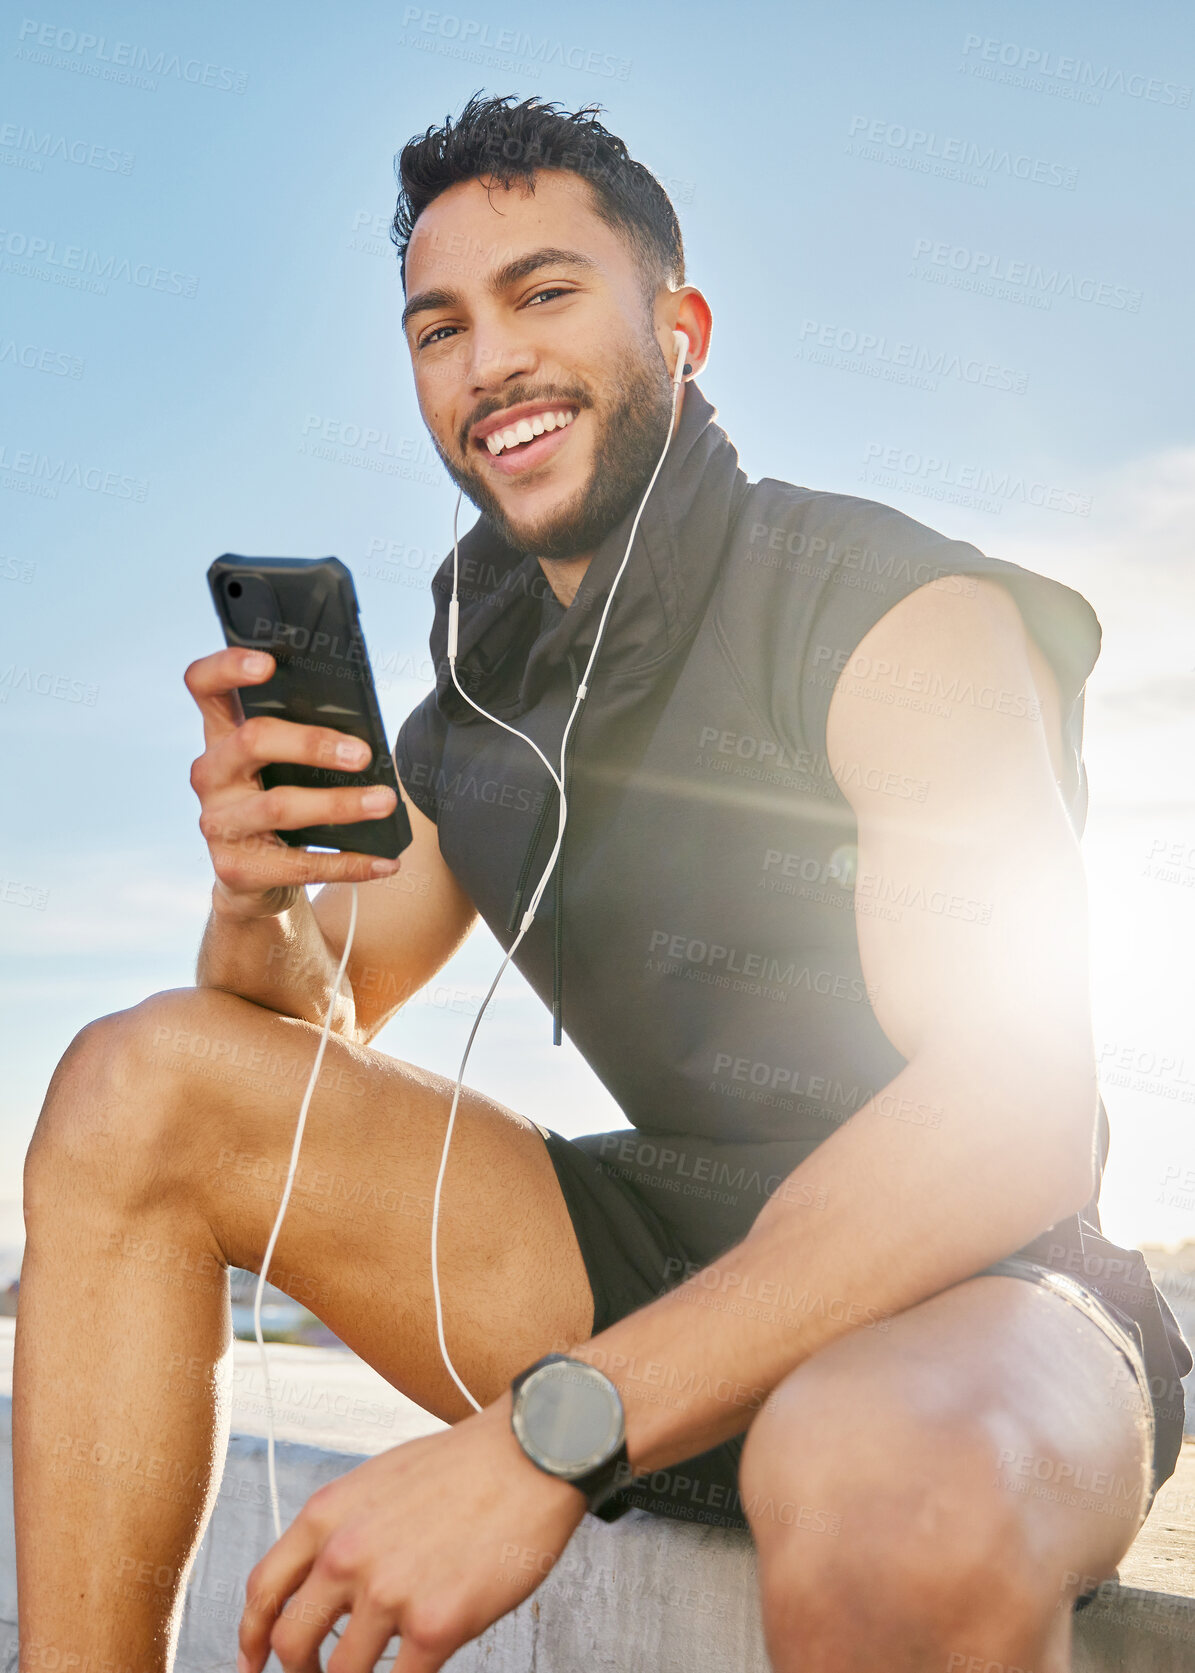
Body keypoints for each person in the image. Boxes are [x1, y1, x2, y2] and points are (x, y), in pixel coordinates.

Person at [14, 91, 1191, 1673]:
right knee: (131, 1081)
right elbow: (299, 1037)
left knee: (873, 1484)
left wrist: (544, 1437)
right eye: (440, 325)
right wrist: (258, 892)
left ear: (682, 326)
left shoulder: (891, 607)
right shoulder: (468, 715)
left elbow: (1017, 1107)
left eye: (544, 293)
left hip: (984, 1275)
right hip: (655, 1248)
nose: (488, 358)